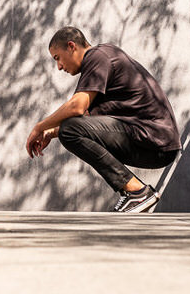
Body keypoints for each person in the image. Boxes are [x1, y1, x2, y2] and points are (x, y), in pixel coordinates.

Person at [25, 27, 181, 213]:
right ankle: (135, 193)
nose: (58, 67)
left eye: (57, 58)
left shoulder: (99, 56)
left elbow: (77, 107)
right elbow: (87, 121)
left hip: (155, 140)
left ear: (71, 46)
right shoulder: (98, 65)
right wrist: (51, 133)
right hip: (155, 144)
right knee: (68, 130)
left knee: (69, 129)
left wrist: (39, 127)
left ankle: (137, 192)